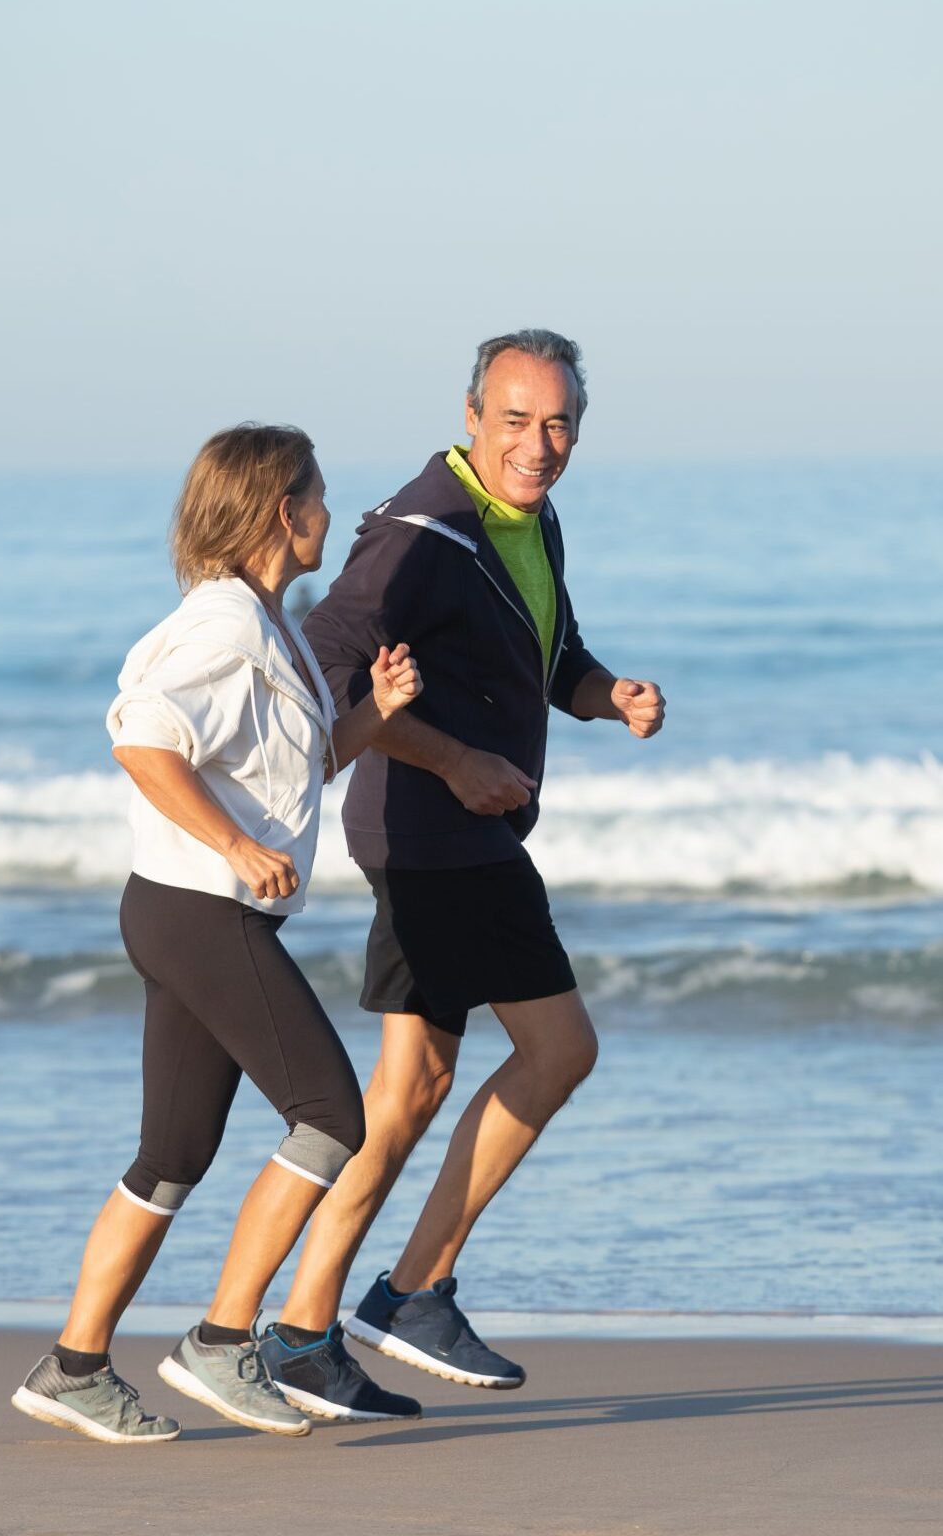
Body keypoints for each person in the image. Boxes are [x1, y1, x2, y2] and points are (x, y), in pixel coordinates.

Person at [258, 329, 665, 1417]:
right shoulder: (422, 531)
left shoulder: (523, 522)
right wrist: (451, 757)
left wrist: (605, 693)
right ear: (472, 417)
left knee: (408, 1094)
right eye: (518, 420)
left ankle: (302, 1331)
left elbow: (551, 657)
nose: (541, 444)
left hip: (442, 840)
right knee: (560, 1048)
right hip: (440, 839)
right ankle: (416, 1289)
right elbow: (328, 654)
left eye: (560, 423)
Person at [9, 423, 422, 1443]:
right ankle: (223, 1341)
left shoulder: (267, 626)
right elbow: (140, 738)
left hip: (177, 909)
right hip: (202, 909)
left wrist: (373, 712)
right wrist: (237, 849)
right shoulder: (224, 630)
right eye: (321, 496)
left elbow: (302, 767)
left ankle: (73, 1368)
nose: (331, 512)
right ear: (286, 510)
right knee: (332, 1115)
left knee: (172, 1154)